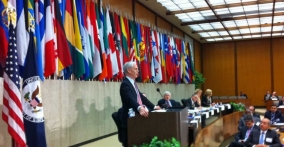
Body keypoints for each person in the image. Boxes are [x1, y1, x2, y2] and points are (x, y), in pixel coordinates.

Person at [119, 61, 161, 147]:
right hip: (130, 123)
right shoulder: (125, 84)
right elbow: (130, 99)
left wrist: (154, 106)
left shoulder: (132, 83)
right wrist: (139, 108)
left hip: (136, 120)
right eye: (136, 69)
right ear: (129, 70)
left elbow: (141, 97)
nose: (138, 71)